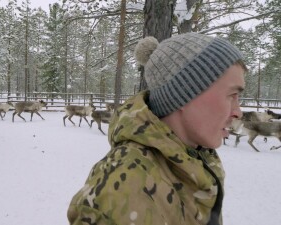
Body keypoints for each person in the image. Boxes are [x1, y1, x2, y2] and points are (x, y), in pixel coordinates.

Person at [67, 32, 246, 225]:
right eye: (232, 95)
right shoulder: (121, 194)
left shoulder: (196, 156)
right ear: (185, 93)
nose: (238, 112)